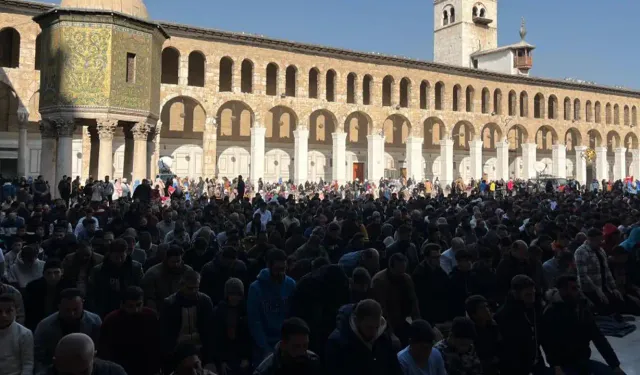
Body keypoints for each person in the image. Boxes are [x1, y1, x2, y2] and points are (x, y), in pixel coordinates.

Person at [541, 275, 626, 375]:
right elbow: (549, 343)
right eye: (573, 288)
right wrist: (556, 366)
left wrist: (615, 365)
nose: (577, 291)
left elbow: (598, 338)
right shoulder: (551, 312)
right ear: (563, 290)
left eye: (577, 287)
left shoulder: (582, 307)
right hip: (564, 366)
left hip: (583, 361)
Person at [34, 288, 102, 375]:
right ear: (59, 306)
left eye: (75, 309)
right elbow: (39, 357)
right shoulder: (45, 326)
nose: (71, 314)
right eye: (67, 310)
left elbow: (100, 350)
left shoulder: (94, 322)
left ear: (82, 303)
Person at [325, 299, 402, 375]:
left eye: (376, 327)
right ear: (356, 321)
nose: (374, 333)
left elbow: (394, 369)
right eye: (369, 327)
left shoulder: (383, 337)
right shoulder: (338, 343)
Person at [247, 249, 296, 365]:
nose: (281, 273)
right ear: (269, 266)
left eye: (283, 269)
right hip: (264, 343)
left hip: (286, 341)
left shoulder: (291, 284)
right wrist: (265, 347)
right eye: (277, 269)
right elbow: (254, 321)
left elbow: (294, 315)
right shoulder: (256, 288)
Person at [98, 286, 162, 375]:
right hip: (120, 367)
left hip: (146, 367)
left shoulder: (151, 317)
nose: (136, 310)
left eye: (139, 305)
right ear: (122, 305)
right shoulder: (112, 320)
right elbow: (105, 350)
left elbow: (157, 345)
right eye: (130, 306)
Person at [160, 269, 215, 369]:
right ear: (181, 285)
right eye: (190, 288)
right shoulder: (170, 303)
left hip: (201, 348)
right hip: (177, 350)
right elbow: (166, 334)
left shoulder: (205, 301)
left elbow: (209, 331)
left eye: (196, 288)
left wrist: (210, 358)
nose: (194, 291)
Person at [494, 275, 547, 375]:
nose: (532, 297)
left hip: (536, 359)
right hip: (516, 367)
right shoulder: (504, 315)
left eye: (533, 293)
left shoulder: (536, 308)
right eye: (527, 295)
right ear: (515, 293)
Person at [371, 253, 421, 346]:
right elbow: (382, 310)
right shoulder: (380, 282)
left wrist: (418, 325)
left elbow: (414, 302)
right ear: (391, 267)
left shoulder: (406, 278)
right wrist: (391, 334)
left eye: (403, 270)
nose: (401, 274)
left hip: (402, 319)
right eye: (399, 271)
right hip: (385, 324)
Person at [87, 238, 144, 317]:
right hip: (105, 308)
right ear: (110, 254)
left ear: (126, 253)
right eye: (116, 257)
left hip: (131, 307)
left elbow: (141, 289)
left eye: (122, 256)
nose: (120, 260)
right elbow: (92, 293)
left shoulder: (136, 268)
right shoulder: (98, 271)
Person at [575, 228, 624, 316]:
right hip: (590, 289)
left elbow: (606, 270)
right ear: (590, 240)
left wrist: (613, 288)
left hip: (603, 286)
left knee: (618, 301)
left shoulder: (601, 250)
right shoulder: (581, 252)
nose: (601, 242)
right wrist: (597, 290)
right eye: (598, 240)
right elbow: (583, 275)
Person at [254, 317, 323, 375]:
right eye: (296, 347)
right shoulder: (266, 371)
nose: (302, 352)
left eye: (305, 345)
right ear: (283, 345)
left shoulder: (313, 361)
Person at [212, 278, 251, 375]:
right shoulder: (219, 311)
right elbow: (216, 338)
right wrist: (221, 361)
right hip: (225, 357)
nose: (235, 297)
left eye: (238, 294)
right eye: (232, 294)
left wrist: (245, 357)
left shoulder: (245, 311)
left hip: (241, 356)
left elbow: (247, 337)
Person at [24, 259, 75, 331]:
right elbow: (29, 311)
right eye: (49, 273)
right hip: (38, 323)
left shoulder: (69, 286)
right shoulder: (33, 287)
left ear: (62, 272)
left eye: (56, 272)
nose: (53, 276)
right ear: (43, 274)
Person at [141, 245, 192, 311]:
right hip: (161, 310)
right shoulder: (153, 274)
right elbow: (149, 299)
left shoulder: (188, 271)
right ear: (166, 259)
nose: (176, 264)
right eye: (173, 262)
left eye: (178, 261)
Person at [49, 333, 126, 375]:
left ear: (93, 357)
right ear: (56, 363)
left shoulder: (113, 372)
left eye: (83, 373)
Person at [466, 295, 501, 375]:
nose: (487, 310)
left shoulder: (493, 326)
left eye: (487, 306)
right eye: (482, 308)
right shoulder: (470, 332)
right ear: (473, 314)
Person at [0, 293, 33, 375]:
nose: (3, 315)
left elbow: (27, 364)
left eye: (8, 311)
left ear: (15, 311)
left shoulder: (25, 333)